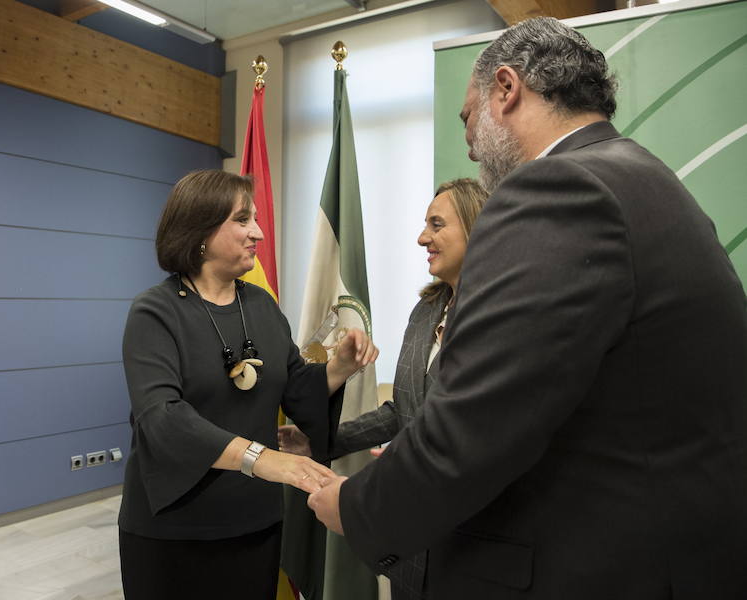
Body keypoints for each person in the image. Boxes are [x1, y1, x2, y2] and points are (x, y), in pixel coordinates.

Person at [308, 16, 747, 599]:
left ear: (506, 88)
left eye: (468, 117)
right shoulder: (647, 180)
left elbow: (477, 421)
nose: (469, 141)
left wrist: (356, 505)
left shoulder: (559, 188)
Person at [118, 169, 378, 599]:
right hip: (173, 525)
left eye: (255, 219)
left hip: (254, 521)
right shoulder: (154, 311)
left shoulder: (260, 304)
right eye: (242, 220)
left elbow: (296, 389)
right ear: (200, 230)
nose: (258, 232)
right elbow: (162, 418)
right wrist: (261, 458)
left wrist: (340, 367)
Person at [278, 178, 487, 599]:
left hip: (470, 536)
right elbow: (402, 411)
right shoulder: (426, 311)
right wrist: (322, 440)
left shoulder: (499, 314)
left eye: (436, 224)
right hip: (411, 544)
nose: (422, 237)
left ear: (476, 226)